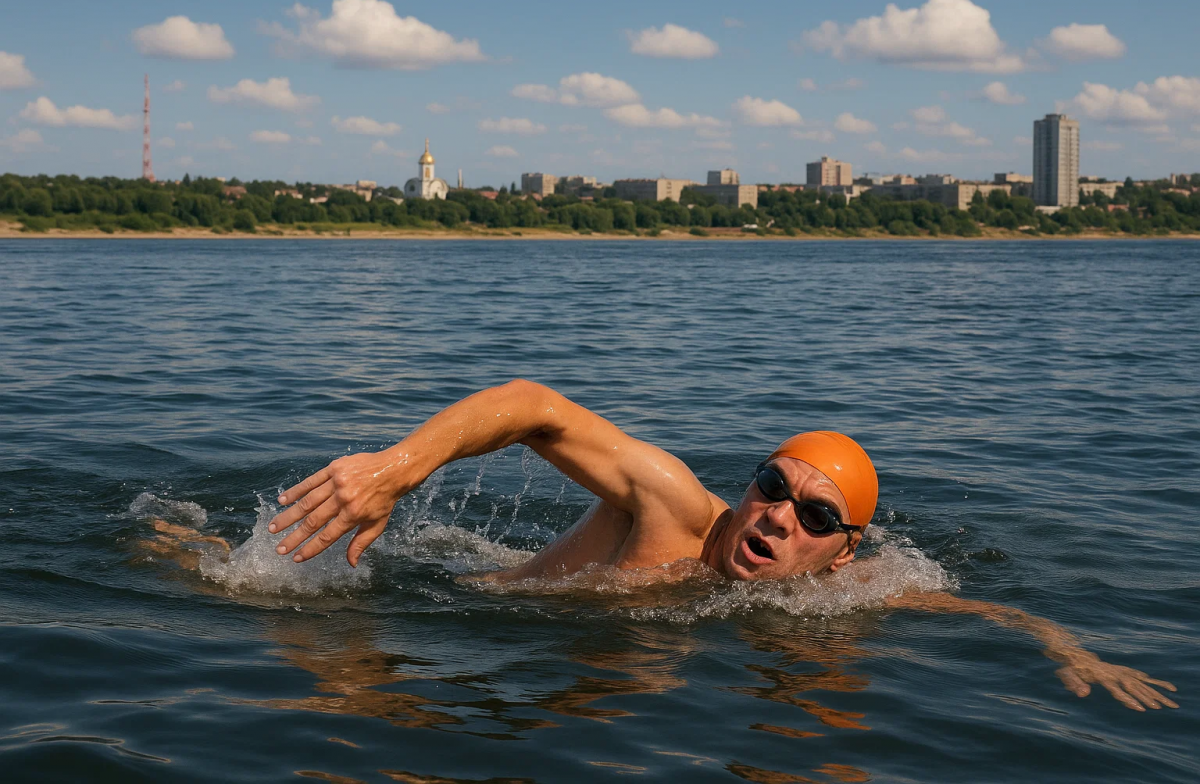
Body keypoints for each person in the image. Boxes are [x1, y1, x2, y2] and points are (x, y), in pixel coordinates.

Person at [268, 379, 1178, 711]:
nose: (779, 516)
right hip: (443, 604)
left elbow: (968, 607)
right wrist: (398, 466)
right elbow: (535, 406)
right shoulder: (671, 506)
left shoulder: (845, 595)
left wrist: (1067, 643)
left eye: (815, 518)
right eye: (771, 487)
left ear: (843, 553)